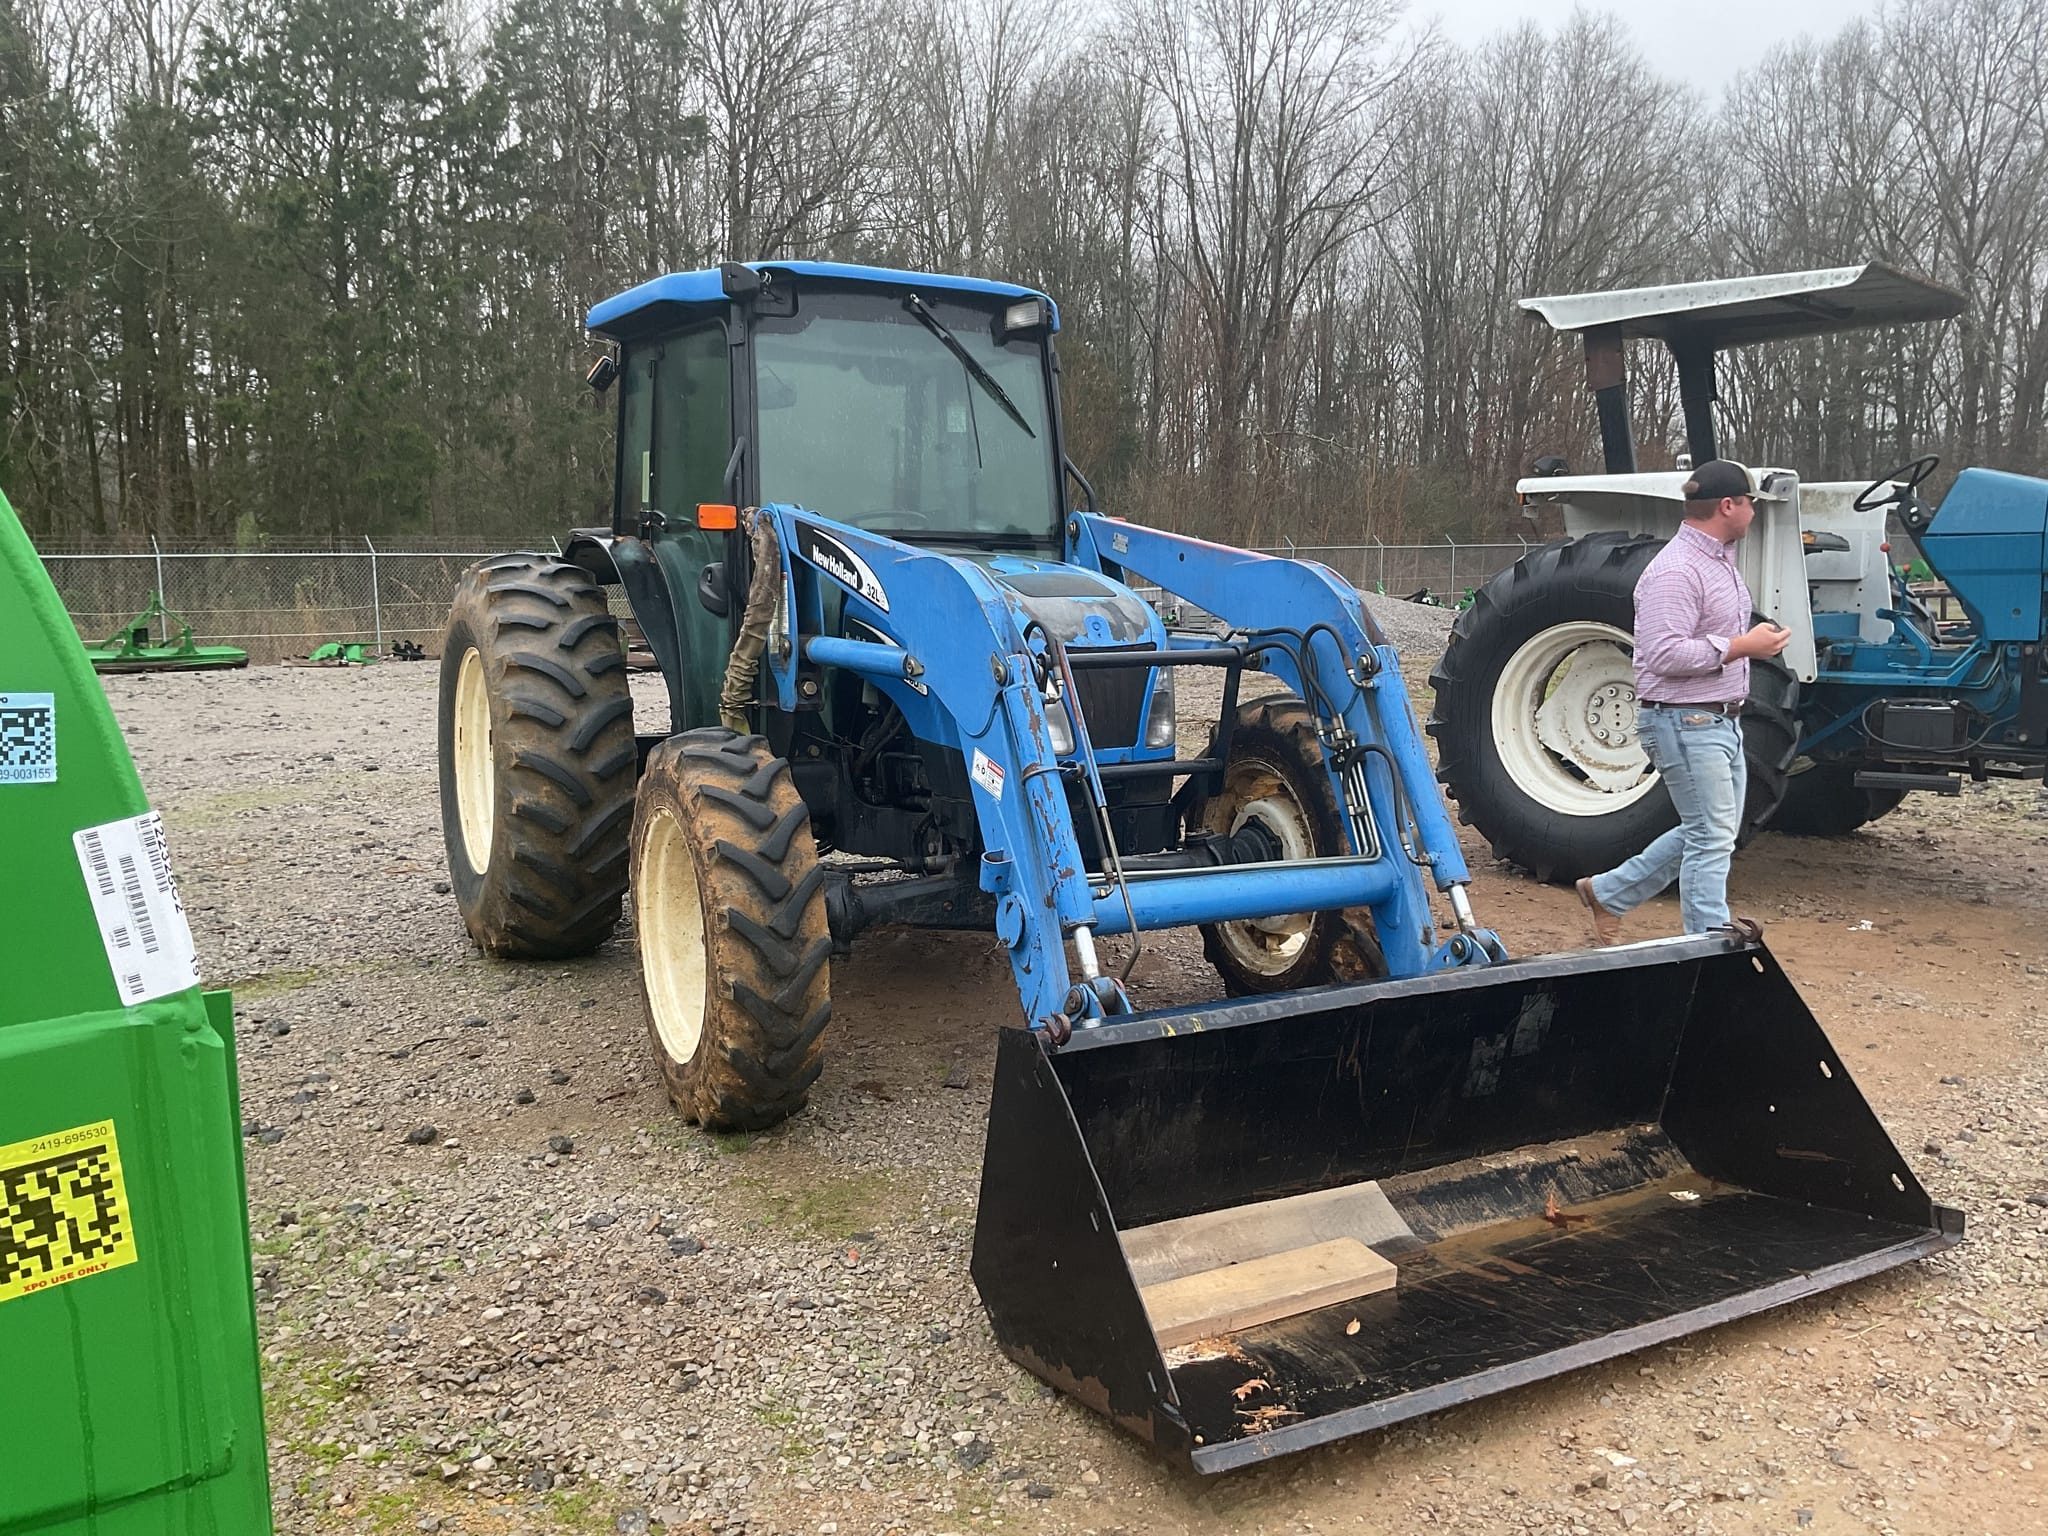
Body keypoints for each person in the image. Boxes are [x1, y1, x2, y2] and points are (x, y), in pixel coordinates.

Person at [1576, 459, 1792, 942]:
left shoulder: (1717, 563)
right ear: (1728, 505)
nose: (1754, 512)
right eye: (1751, 503)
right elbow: (1663, 654)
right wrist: (1743, 646)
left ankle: (1609, 893)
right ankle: (1706, 944)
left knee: (1711, 832)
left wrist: (1756, 645)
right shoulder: (1676, 571)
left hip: (1717, 722)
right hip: (1686, 722)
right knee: (1712, 837)